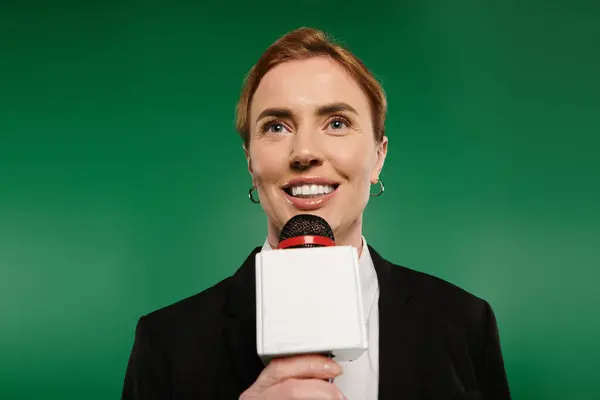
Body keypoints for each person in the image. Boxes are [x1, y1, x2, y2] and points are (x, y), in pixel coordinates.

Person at [121, 27, 511, 399]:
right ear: (250, 164)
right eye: (276, 127)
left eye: (336, 123)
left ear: (378, 157)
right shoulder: (166, 342)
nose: (304, 152)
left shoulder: (464, 324)